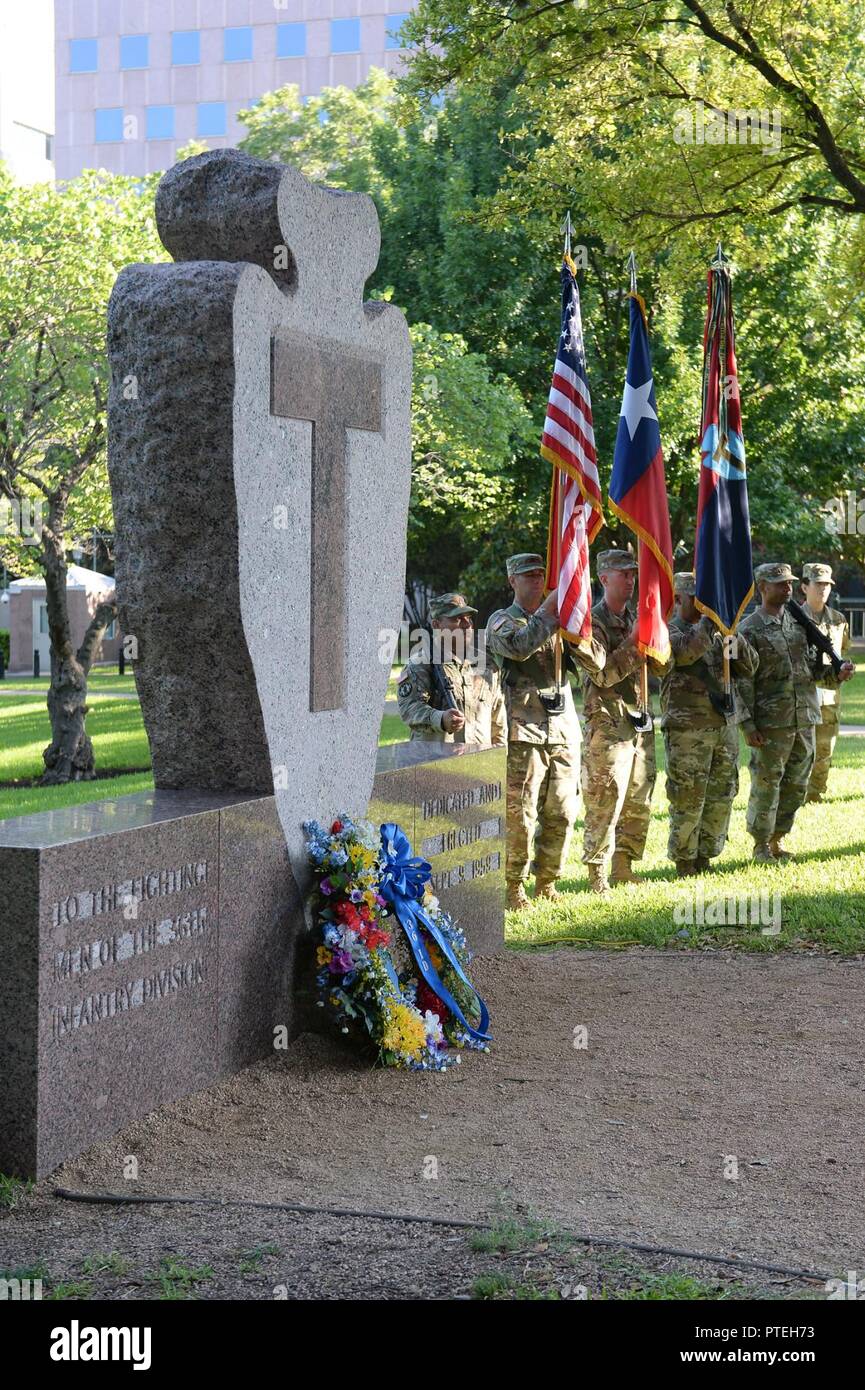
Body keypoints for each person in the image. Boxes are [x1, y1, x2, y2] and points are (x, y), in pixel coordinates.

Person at [486, 553, 607, 911]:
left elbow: (598, 664)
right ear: (512, 581)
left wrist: (578, 633)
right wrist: (551, 613)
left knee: (563, 811)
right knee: (521, 815)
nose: (537, 581)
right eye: (528, 576)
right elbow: (519, 646)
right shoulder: (501, 621)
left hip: (564, 730)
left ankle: (548, 881)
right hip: (525, 731)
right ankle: (512, 886)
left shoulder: (561, 622)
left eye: (541, 574)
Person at [737, 563, 854, 862]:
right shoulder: (749, 628)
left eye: (788, 583)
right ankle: (760, 845)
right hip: (772, 723)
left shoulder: (799, 625)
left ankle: (777, 839)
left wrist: (836, 674)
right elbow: (740, 681)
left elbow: (813, 672)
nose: (787, 588)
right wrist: (748, 725)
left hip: (805, 718)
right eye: (779, 584)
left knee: (797, 784)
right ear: (763, 587)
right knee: (767, 783)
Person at [580, 549, 671, 894]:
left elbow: (664, 667)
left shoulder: (639, 616)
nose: (632, 580)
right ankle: (597, 875)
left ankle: (624, 865)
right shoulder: (591, 623)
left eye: (635, 574)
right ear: (604, 578)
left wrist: (655, 639)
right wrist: (635, 641)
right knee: (605, 799)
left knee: (638, 798)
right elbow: (602, 674)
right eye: (624, 574)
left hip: (639, 722)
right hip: (609, 725)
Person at [660, 572, 757, 874]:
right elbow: (686, 654)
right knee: (688, 795)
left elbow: (749, 667)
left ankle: (707, 854)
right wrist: (710, 622)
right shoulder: (668, 631)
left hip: (723, 726)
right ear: (679, 599)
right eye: (699, 602)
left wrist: (733, 634)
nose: (705, 608)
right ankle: (684, 860)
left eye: (708, 603)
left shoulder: (720, 633)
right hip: (687, 729)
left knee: (721, 793)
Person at [396, 592, 507, 746]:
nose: (466, 624)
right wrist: (440, 719)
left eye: (468, 618)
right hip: (437, 763)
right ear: (436, 625)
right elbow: (410, 709)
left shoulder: (486, 663)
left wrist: (499, 752)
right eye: (457, 619)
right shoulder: (421, 663)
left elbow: (497, 717)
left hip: (480, 763)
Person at [799, 562, 850, 803]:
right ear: (804, 587)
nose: (823, 589)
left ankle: (815, 795)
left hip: (829, 695)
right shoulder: (793, 619)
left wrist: (845, 669)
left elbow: (843, 651)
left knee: (825, 749)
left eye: (827, 585)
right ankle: (796, 793)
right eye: (818, 584)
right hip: (802, 695)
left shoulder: (839, 620)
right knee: (800, 750)